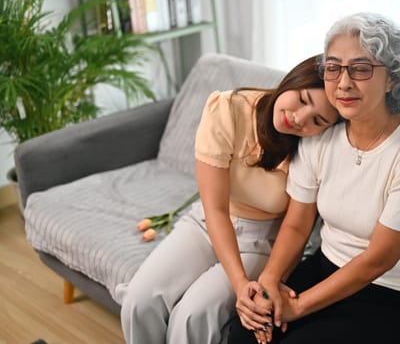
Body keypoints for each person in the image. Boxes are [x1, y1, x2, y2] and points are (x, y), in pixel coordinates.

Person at [229, 12, 400, 344]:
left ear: (391, 78)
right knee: (243, 329)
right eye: (333, 68)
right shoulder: (321, 134)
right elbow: (297, 225)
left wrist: (299, 306)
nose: (343, 83)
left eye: (361, 69)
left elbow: (379, 260)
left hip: (390, 294)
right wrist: (270, 283)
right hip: (325, 265)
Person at [117, 54, 340, 344]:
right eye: (302, 99)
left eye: (317, 120)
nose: (298, 118)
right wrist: (239, 283)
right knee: (139, 300)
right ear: (293, 79)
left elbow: (298, 228)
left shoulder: (314, 148)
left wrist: (250, 287)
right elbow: (215, 209)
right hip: (208, 223)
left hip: (262, 243)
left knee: (193, 315)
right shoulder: (229, 108)